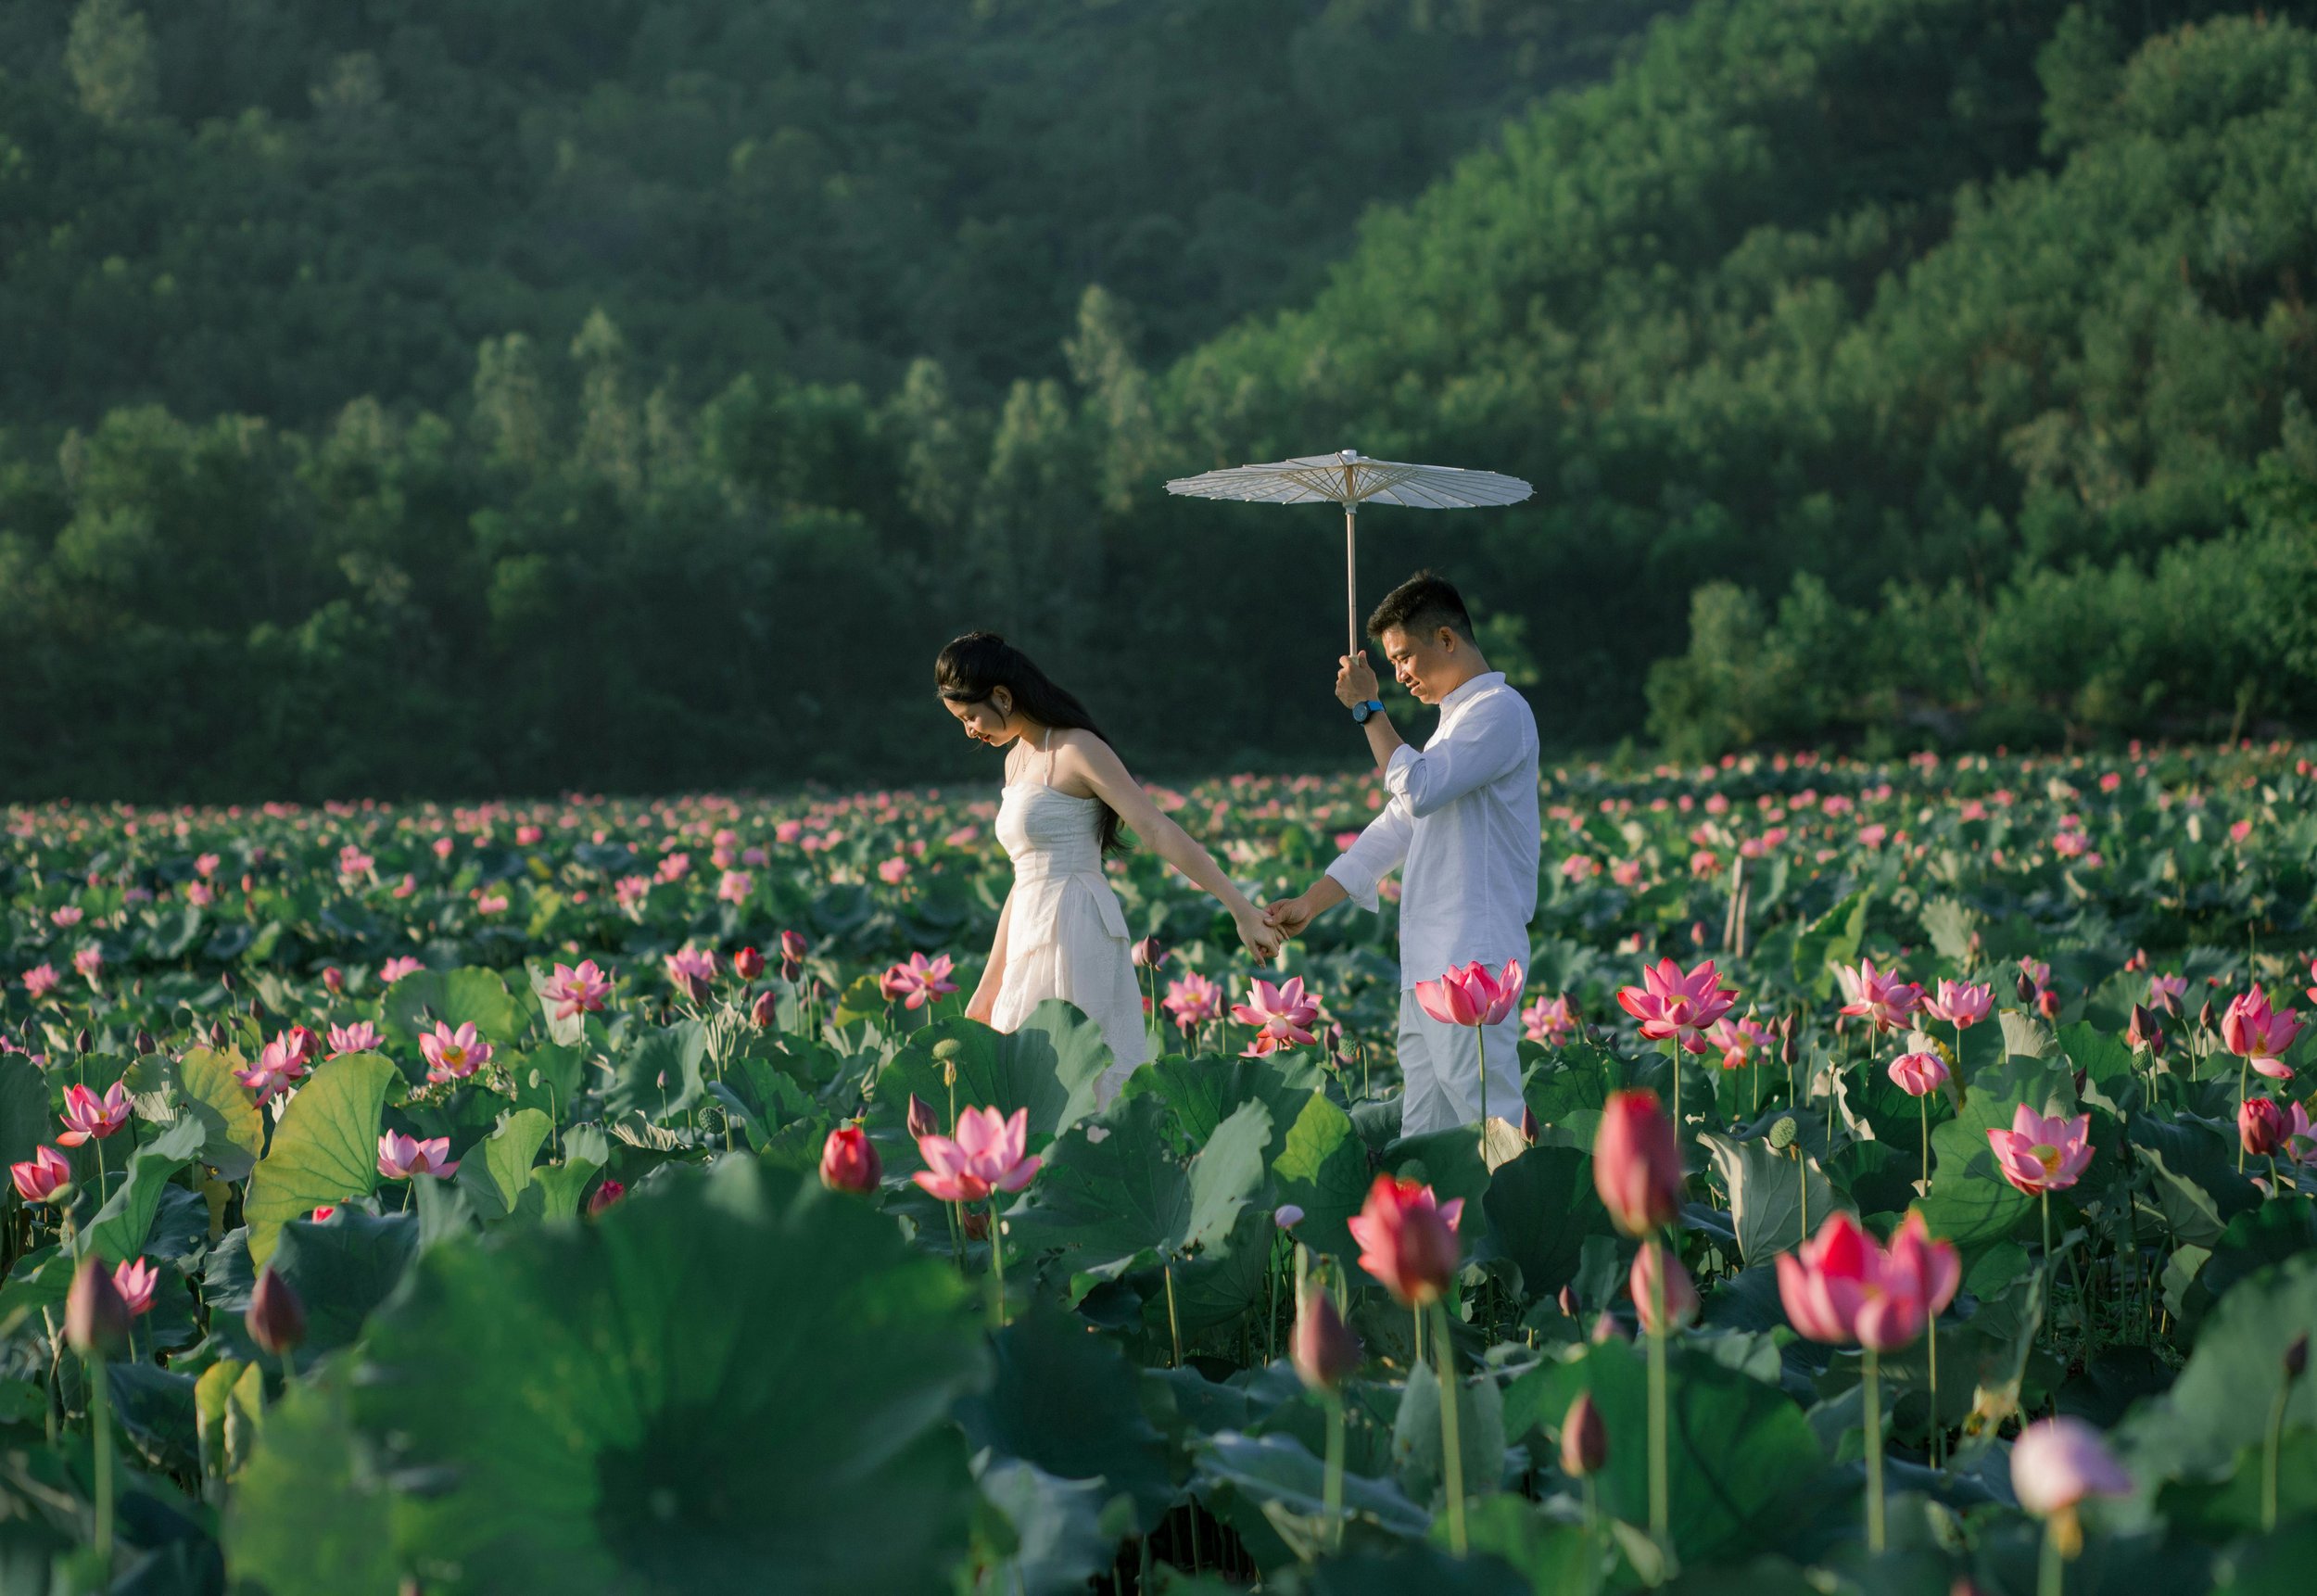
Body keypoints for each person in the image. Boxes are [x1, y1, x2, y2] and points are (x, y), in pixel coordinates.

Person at [937, 632, 1279, 1102]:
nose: (969, 730)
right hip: (1028, 934)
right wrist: (988, 985)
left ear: (1001, 695)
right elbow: (1024, 880)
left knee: (1084, 1080)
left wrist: (1240, 908)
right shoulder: (1015, 761)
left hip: (1078, 926)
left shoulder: (1077, 748)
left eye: (970, 716)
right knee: (1027, 1087)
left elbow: (1156, 830)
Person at [1265, 573, 1539, 1136]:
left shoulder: (1499, 711)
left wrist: (1369, 709)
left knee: (1493, 1120)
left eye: (1405, 657)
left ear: (1445, 639)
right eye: (1391, 665)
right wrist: (1311, 904)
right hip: (1427, 968)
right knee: (1426, 1135)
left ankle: (1535, 1223)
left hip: (1473, 964)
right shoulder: (1449, 731)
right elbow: (1397, 826)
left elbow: (1417, 790)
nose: (1401, 676)